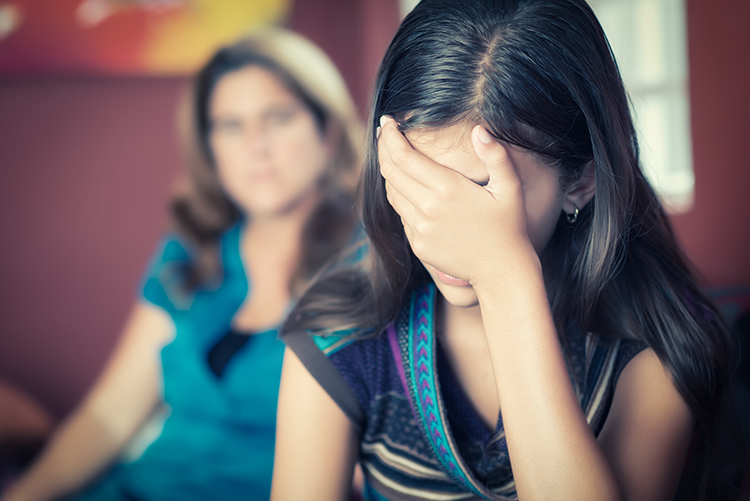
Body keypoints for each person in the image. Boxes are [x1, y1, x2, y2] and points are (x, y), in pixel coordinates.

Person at [271, 0, 736, 499]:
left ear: (579, 182)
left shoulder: (654, 346)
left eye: (480, 191)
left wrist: (505, 278)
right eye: (421, 185)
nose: (443, 230)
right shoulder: (339, 334)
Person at [3, 27, 362, 501]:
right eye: (230, 126)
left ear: (328, 132)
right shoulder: (190, 250)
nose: (255, 145)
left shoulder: (369, 265)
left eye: (277, 118)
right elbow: (110, 416)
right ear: (211, 149)